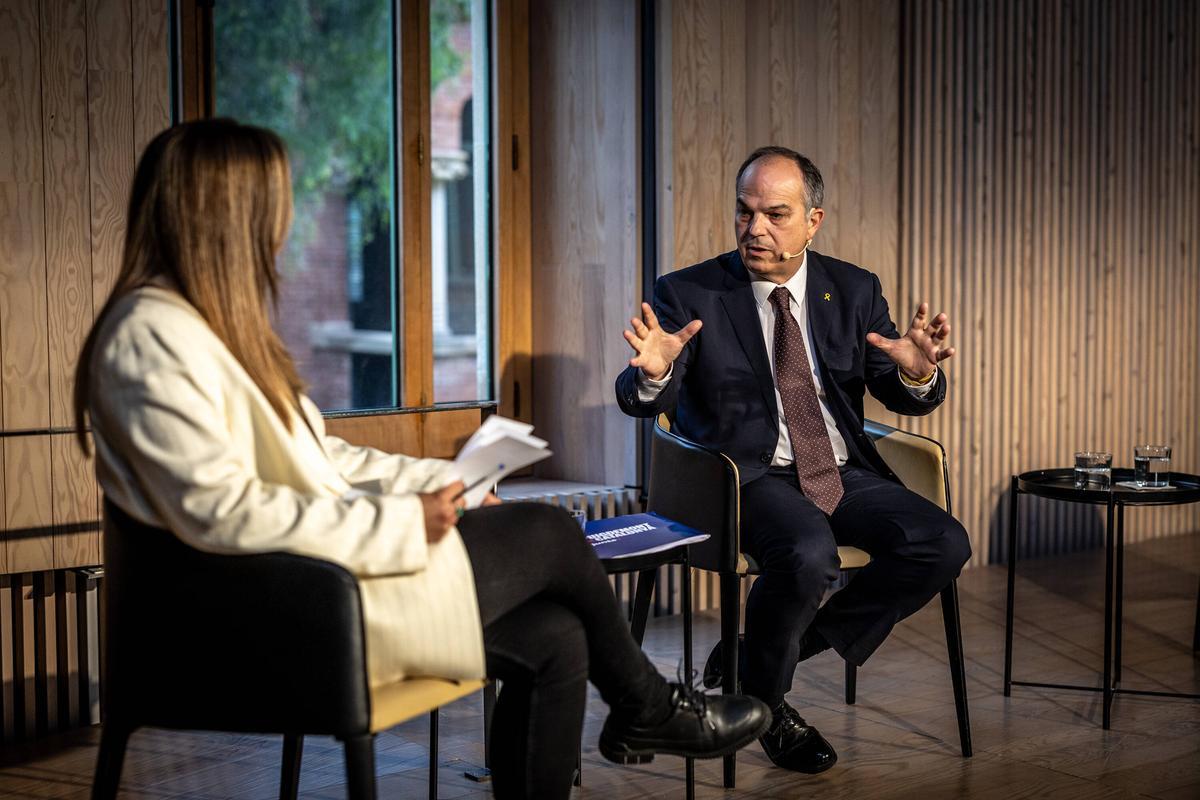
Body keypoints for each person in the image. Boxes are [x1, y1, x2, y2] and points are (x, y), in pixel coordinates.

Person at [74, 119, 770, 800]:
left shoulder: (211, 329)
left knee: (557, 640)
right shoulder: (149, 336)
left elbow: (323, 455)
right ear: (224, 217)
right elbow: (222, 513)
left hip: (311, 586)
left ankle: (644, 706)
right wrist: (406, 522)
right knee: (549, 533)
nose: (282, 231)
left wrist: (448, 484)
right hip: (273, 614)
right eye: (275, 209)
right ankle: (647, 704)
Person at [615, 146, 971, 774]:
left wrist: (915, 377)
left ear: (814, 220)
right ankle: (770, 707)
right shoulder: (689, 291)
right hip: (744, 477)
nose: (756, 229)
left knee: (942, 542)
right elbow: (646, 400)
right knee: (809, 555)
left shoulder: (853, 289)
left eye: (776, 214)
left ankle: (754, 668)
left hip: (840, 469)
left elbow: (896, 388)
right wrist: (655, 372)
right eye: (745, 212)